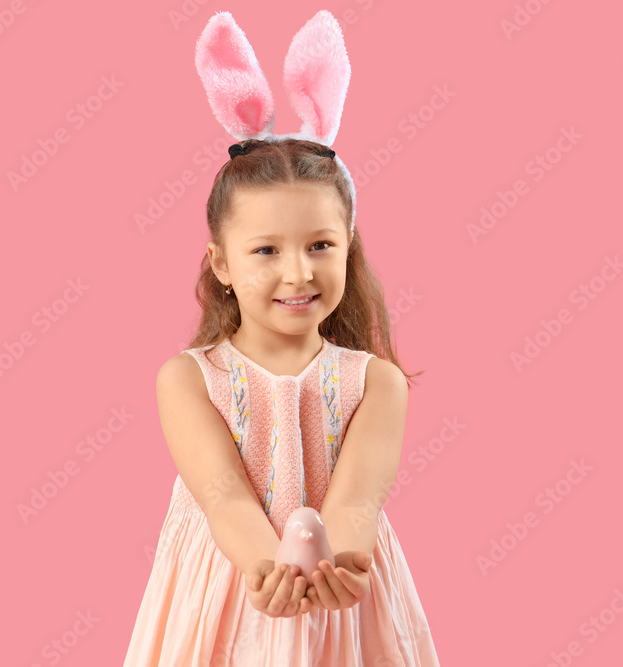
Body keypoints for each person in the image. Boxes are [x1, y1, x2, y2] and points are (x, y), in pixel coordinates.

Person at [122, 10, 440, 666]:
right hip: (231, 585)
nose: (298, 271)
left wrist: (335, 563)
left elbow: (357, 496)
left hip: (343, 597)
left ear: (347, 246)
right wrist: (271, 569)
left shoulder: (373, 381)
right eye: (266, 249)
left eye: (320, 244)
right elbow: (221, 493)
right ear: (222, 262)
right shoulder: (188, 378)